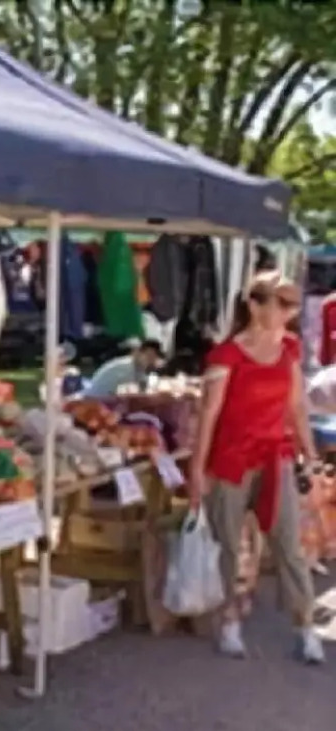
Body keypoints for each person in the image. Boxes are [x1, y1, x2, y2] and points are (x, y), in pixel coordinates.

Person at [190, 270, 322, 663]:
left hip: (274, 456)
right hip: (231, 460)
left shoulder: (290, 350)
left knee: (290, 545)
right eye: (281, 302)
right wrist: (198, 470)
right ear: (254, 304)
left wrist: (310, 455)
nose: (288, 311)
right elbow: (208, 415)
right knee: (229, 545)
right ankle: (229, 622)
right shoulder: (227, 354)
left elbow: (297, 405)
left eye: (292, 304)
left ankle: (304, 626)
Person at [83, 340, 165, 399]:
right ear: (137, 353)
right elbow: (135, 394)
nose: (149, 360)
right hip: (94, 401)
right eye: (148, 356)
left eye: (153, 358)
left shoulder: (138, 368)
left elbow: (144, 387)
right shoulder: (125, 366)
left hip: (106, 402)